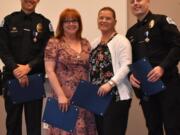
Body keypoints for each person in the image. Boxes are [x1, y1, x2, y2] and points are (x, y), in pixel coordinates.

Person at [126, 0, 180, 135]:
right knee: (153, 128)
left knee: (173, 127)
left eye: (139, 0)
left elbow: (177, 46)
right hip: (147, 89)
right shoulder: (130, 32)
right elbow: (129, 60)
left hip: (168, 84)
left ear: (148, 2)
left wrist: (162, 67)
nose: (135, 3)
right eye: (132, 1)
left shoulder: (162, 21)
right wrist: (130, 75)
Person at [0, 0, 54, 134]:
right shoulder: (8, 20)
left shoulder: (45, 23)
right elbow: (2, 48)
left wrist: (28, 67)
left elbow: (47, 50)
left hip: (34, 79)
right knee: (12, 123)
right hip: (12, 78)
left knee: (34, 125)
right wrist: (16, 69)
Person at [44, 8, 97, 135]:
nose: (71, 24)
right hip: (63, 97)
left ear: (79, 23)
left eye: (74, 20)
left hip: (84, 98)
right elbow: (49, 71)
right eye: (67, 21)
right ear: (61, 24)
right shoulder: (54, 42)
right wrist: (61, 95)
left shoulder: (85, 43)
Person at [89, 7, 133, 135]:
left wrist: (110, 84)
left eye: (108, 18)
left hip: (116, 97)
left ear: (115, 21)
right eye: (101, 18)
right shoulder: (94, 43)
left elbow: (126, 65)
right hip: (98, 97)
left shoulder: (122, 41)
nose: (104, 20)